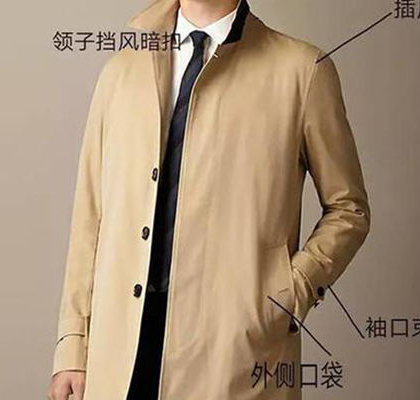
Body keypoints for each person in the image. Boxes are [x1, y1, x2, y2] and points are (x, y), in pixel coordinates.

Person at [48, 0, 370, 399]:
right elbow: (90, 215)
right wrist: (73, 344)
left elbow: (348, 209)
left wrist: (291, 291)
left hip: (233, 354)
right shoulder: (122, 71)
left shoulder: (302, 71)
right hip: (120, 350)